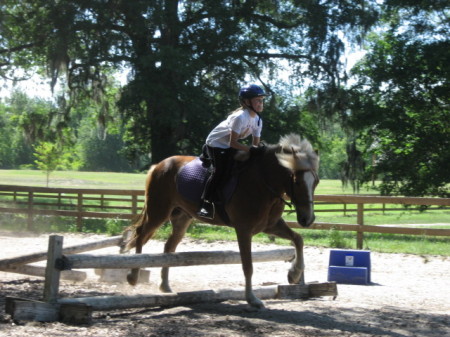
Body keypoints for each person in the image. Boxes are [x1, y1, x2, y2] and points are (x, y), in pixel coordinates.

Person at [197, 84, 268, 219]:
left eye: (262, 100)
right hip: (216, 144)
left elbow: (255, 145)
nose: (261, 103)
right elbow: (233, 143)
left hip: (230, 145)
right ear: (247, 102)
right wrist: (251, 149)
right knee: (220, 171)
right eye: (257, 100)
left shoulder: (258, 120)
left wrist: (258, 151)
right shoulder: (240, 117)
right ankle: (205, 204)